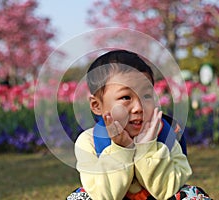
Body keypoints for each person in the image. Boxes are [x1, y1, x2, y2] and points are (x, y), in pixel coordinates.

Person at [67, 50, 211, 200]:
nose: (139, 107)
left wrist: (147, 147)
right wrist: (120, 150)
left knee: (192, 195)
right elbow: (103, 196)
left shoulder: (165, 135)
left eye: (146, 96)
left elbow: (166, 190)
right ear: (97, 105)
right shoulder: (89, 142)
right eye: (126, 97)